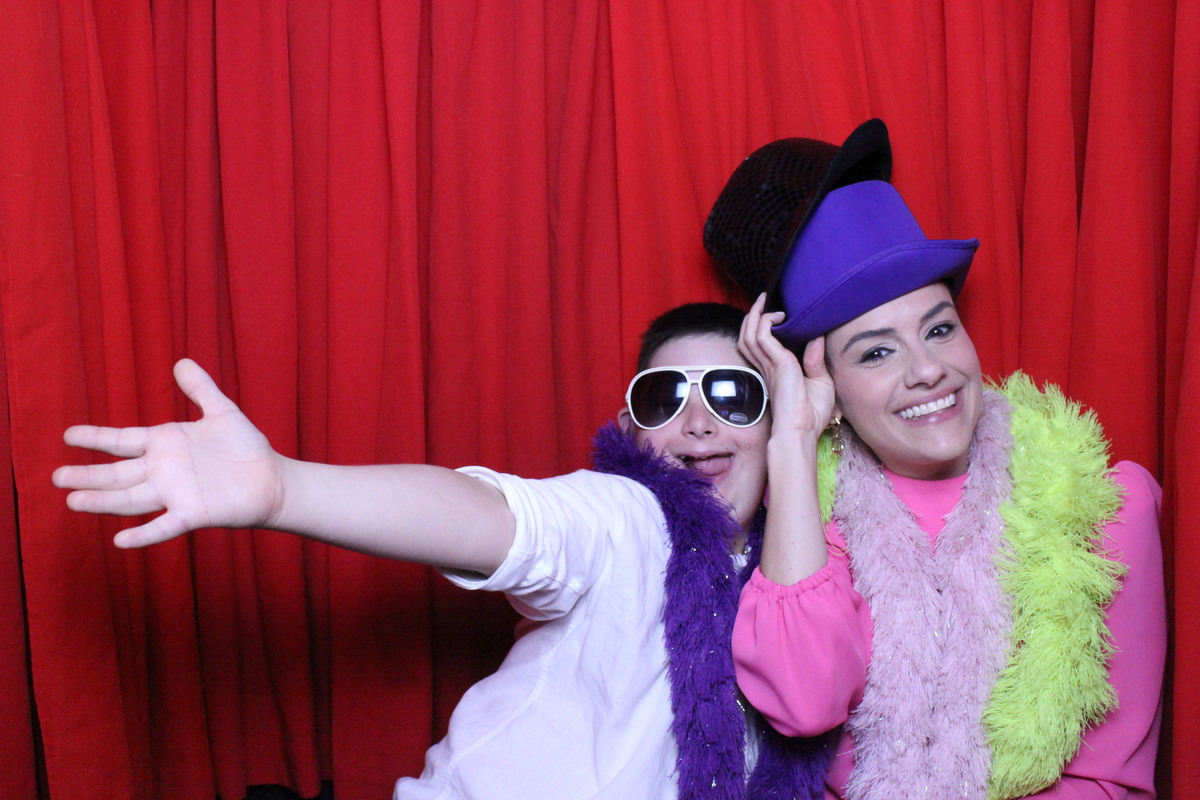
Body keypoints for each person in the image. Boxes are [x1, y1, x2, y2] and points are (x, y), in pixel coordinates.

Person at [53, 302, 831, 800]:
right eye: (664, 398)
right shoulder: (626, 521)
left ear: (780, 420)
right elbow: (492, 520)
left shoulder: (802, 581)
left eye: (733, 395)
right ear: (632, 433)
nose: (697, 423)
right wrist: (287, 490)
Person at [704, 120, 1166, 799]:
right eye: (876, 352)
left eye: (940, 328)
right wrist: (794, 437)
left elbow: (1110, 779)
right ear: (827, 389)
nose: (928, 370)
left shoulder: (1104, 511)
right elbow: (803, 706)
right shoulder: (806, 520)